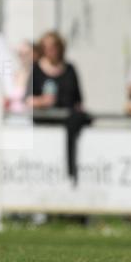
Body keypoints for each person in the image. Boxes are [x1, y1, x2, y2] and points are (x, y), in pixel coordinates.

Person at [29, 31, 90, 183]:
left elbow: (78, 99)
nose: (50, 50)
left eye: (53, 46)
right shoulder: (36, 70)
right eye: (46, 47)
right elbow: (27, 100)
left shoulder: (70, 69)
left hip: (68, 120)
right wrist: (43, 101)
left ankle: (71, 173)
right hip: (44, 121)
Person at [4, 40, 34, 117]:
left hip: (28, 118)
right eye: (20, 54)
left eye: (26, 54)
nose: (23, 57)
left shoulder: (35, 75)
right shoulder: (15, 74)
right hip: (12, 118)